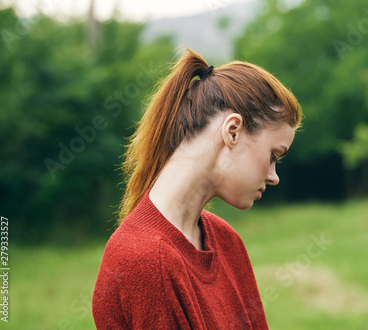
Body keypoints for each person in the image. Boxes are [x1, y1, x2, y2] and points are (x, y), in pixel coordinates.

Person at [92, 49, 303, 329]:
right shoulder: (146, 260)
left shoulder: (227, 240)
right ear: (232, 131)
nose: (274, 176)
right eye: (273, 155)